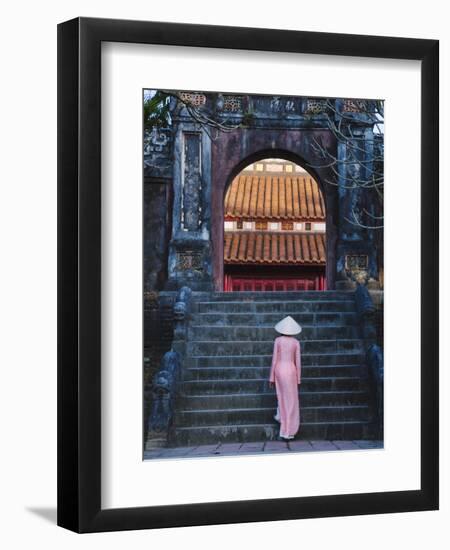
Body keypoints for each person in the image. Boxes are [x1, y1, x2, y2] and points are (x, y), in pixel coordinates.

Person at [269, 316, 302, 440]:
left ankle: (281, 419)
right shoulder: (295, 342)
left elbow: (274, 360)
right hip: (291, 370)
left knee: (281, 397)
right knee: (291, 401)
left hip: (279, 369)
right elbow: (298, 362)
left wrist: (271, 377)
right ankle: (288, 430)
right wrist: (299, 378)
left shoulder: (278, 340)